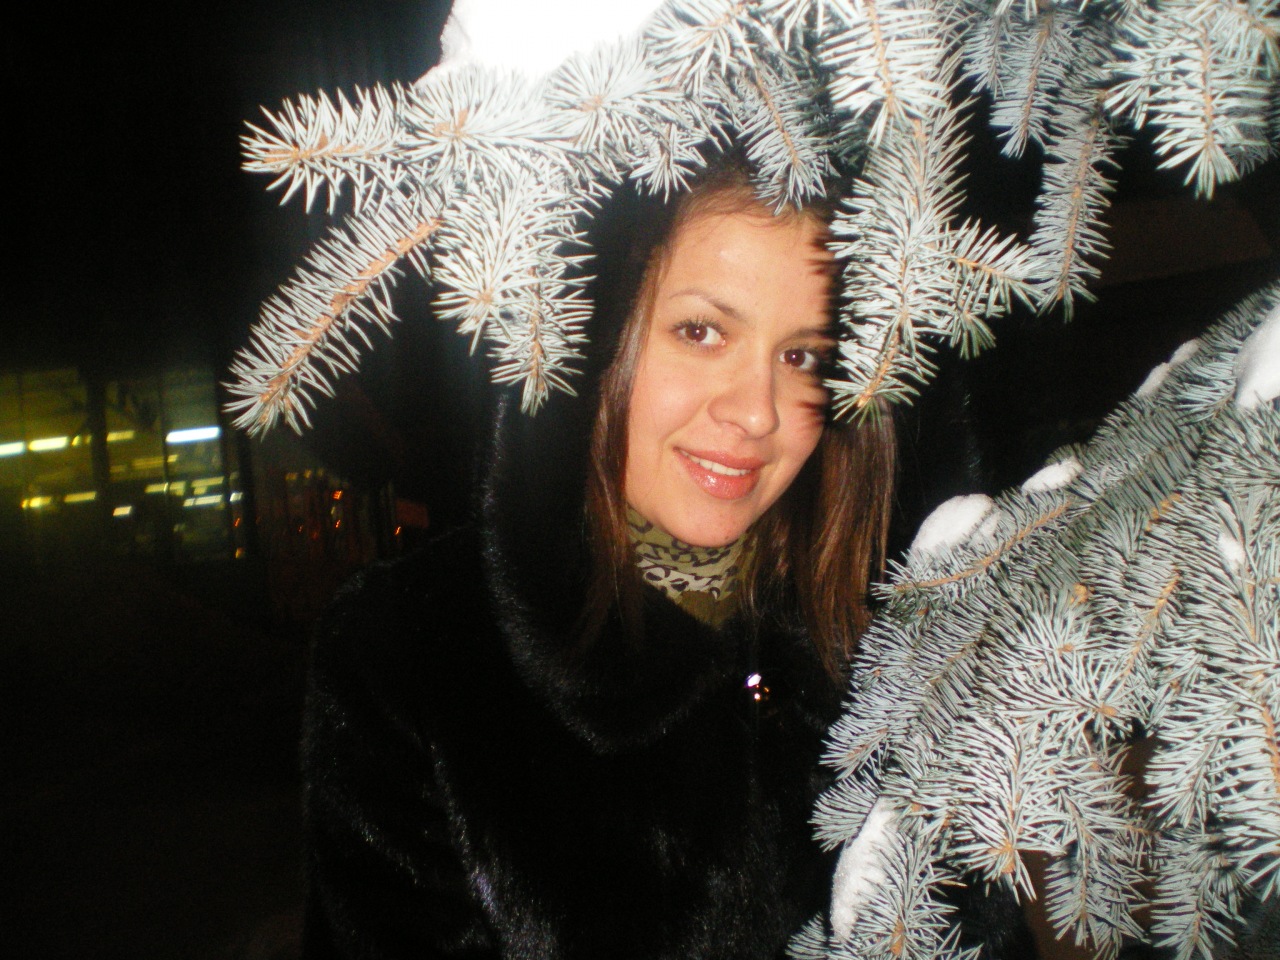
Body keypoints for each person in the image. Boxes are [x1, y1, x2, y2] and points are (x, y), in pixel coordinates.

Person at [299, 157, 1028, 959]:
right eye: (702, 332)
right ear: (592, 336)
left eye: (803, 357)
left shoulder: (891, 636)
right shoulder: (410, 653)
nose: (757, 412)